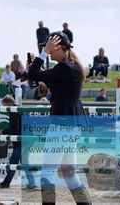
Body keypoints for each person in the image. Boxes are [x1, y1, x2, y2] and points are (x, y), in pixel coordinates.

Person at [28, 31, 91, 204]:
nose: (47, 49)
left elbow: (32, 75)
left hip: (62, 123)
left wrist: (42, 54)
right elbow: (39, 76)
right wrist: (38, 64)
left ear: (60, 48)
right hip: (73, 122)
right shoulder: (73, 67)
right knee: (69, 174)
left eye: (50, 47)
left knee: (48, 172)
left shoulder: (63, 68)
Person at [0, 95, 35, 189]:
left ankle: (6, 183)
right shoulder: (21, 108)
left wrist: (5, 134)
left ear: (8, 103)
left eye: (4, 105)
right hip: (28, 138)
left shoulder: (13, 111)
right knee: (25, 162)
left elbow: (15, 129)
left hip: (21, 140)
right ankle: (31, 183)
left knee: (13, 162)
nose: (4, 108)